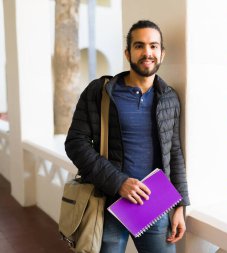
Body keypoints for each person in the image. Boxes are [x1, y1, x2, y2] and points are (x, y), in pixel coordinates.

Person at [65, 20, 190, 253]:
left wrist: (180, 205)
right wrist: (119, 182)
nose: (147, 53)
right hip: (107, 204)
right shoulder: (100, 91)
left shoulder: (169, 98)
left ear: (162, 54)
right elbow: (75, 143)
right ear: (128, 53)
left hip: (154, 206)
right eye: (139, 46)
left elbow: (174, 153)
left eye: (154, 46)